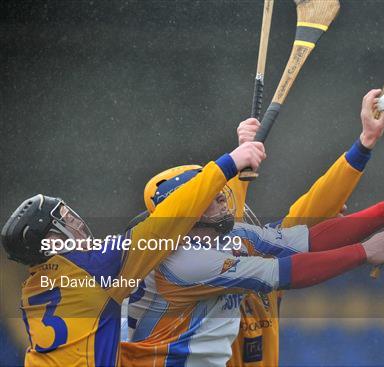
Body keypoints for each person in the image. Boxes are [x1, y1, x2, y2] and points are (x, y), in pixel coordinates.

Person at [121, 90, 384, 366]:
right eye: (210, 199)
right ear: (184, 216)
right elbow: (284, 269)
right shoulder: (185, 263)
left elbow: (307, 237)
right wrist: (364, 251)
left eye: (221, 193)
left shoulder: (235, 237)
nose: (224, 200)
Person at [0, 142, 266, 367]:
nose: (78, 224)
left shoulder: (32, 289)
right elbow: (162, 225)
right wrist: (227, 165)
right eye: (66, 220)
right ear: (52, 240)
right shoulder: (95, 266)